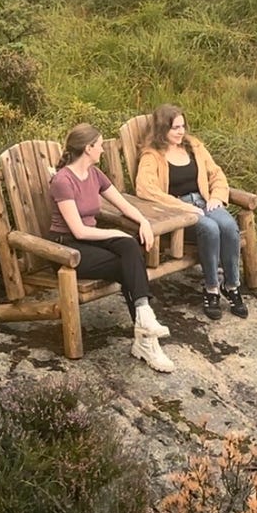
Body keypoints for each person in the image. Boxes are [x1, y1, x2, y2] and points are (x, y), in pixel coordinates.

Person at [48, 123, 175, 372]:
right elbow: (78, 231)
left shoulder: (95, 174)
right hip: (65, 249)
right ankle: (147, 338)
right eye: (100, 145)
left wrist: (143, 221)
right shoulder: (63, 181)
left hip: (88, 240)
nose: (103, 150)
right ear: (88, 148)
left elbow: (123, 204)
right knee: (127, 264)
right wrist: (117, 232)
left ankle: (144, 319)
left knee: (130, 250)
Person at [135, 104, 248, 321]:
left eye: (182, 126)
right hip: (178, 210)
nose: (180, 131)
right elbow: (145, 188)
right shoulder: (152, 156)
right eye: (174, 128)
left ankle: (232, 285)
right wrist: (184, 207)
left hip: (205, 201)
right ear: (161, 130)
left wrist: (216, 196)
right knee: (210, 229)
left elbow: (216, 174)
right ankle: (212, 288)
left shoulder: (194, 147)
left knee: (229, 226)